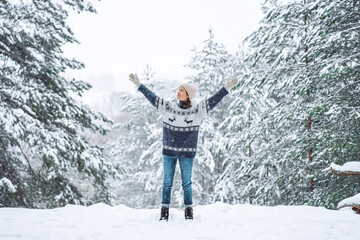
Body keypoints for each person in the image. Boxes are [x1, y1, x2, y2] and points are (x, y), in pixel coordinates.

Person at [128, 73, 238, 221]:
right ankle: (164, 212)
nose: (178, 92)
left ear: (188, 95)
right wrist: (139, 85)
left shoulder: (198, 111)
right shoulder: (168, 108)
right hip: (169, 152)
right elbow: (152, 97)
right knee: (167, 183)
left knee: (187, 183)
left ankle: (188, 212)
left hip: (187, 154)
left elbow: (214, 100)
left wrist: (226, 88)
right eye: (178, 89)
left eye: (182, 90)